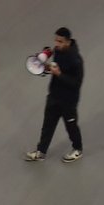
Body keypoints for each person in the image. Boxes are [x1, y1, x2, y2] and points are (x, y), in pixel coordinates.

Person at [25, 27, 84, 163]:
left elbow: (76, 83)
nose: (56, 44)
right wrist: (45, 68)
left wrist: (59, 74)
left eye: (60, 41)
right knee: (47, 126)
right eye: (56, 40)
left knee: (71, 126)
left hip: (68, 101)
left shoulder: (76, 60)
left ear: (68, 42)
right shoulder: (58, 51)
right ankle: (41, 152)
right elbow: (55, 66)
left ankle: (78, 149)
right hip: (54, 96)